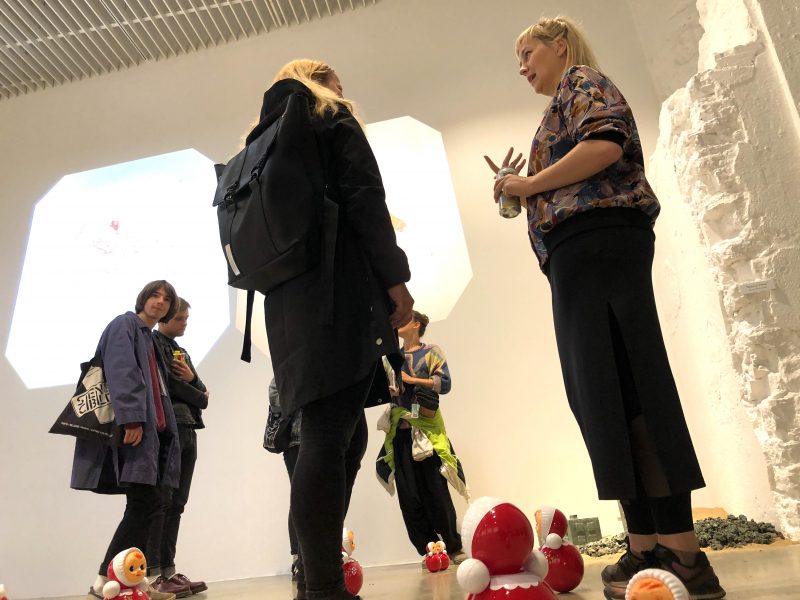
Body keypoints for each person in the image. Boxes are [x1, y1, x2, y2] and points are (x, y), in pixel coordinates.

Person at [486, 16, 725, 600]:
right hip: (581, 256)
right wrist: (522, 186)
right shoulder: (562, 102)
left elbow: (605, 145)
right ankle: (647, 545)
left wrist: (529, 185)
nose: (522, 67)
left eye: (528, 53)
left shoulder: (582, 81)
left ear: (560, 45)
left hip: (598, 245)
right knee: (604, 395)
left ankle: (684, 554)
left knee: (631, 384)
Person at [249, 59, 413, 600]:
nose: (345, 91)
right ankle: (322, 586)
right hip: (337, 295)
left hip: (287, 307)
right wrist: (396, 281)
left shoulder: (266, 137)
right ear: (319, 82)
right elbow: (366, 200)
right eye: (338, 83)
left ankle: (316, 578)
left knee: (345, 433)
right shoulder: (331, 117)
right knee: (326, 435)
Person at [71, 281, 181, 600]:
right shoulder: (125, 324)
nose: (159, 302)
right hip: (137, 431)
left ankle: (126, 580)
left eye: (166, 299)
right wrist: (132, 418)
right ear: (143, 298)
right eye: (154, 295)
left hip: (154, 436)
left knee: (150, 504)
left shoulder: (149, 338)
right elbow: (122, 370)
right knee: (143, 503)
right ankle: (104, 579)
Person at [375, 311, 467, 565]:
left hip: (427, 430)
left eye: (403, 320)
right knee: (409, 496)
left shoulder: (431, 351)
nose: (397, 324)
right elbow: (386, 388)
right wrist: (391, 389)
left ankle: (452, 545)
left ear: (416, 324)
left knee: (436, 489)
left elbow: (444, 383)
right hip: (400, 433)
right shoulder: (391, 357)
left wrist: (412, 380)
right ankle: (429, 548)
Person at [149, 298, 209, 597]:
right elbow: (171, 386)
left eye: (187, 318)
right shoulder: (152, 344)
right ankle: (154, 574)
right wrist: (198, 392)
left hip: (188, 429)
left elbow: (202, 391)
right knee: (162, 502)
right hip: (169, 430)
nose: (185, 323)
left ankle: (169, 571)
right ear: (166, 318)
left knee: (177, 503)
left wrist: (193, 379)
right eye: (181, 318)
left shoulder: (181, 351)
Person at [266, 377, 303, 580]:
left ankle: (316, 556)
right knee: (299, 498)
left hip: (319, 438)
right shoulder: (287, 367)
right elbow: (275, 398)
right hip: (295, 442)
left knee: (319, 499)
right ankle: (298, 559)